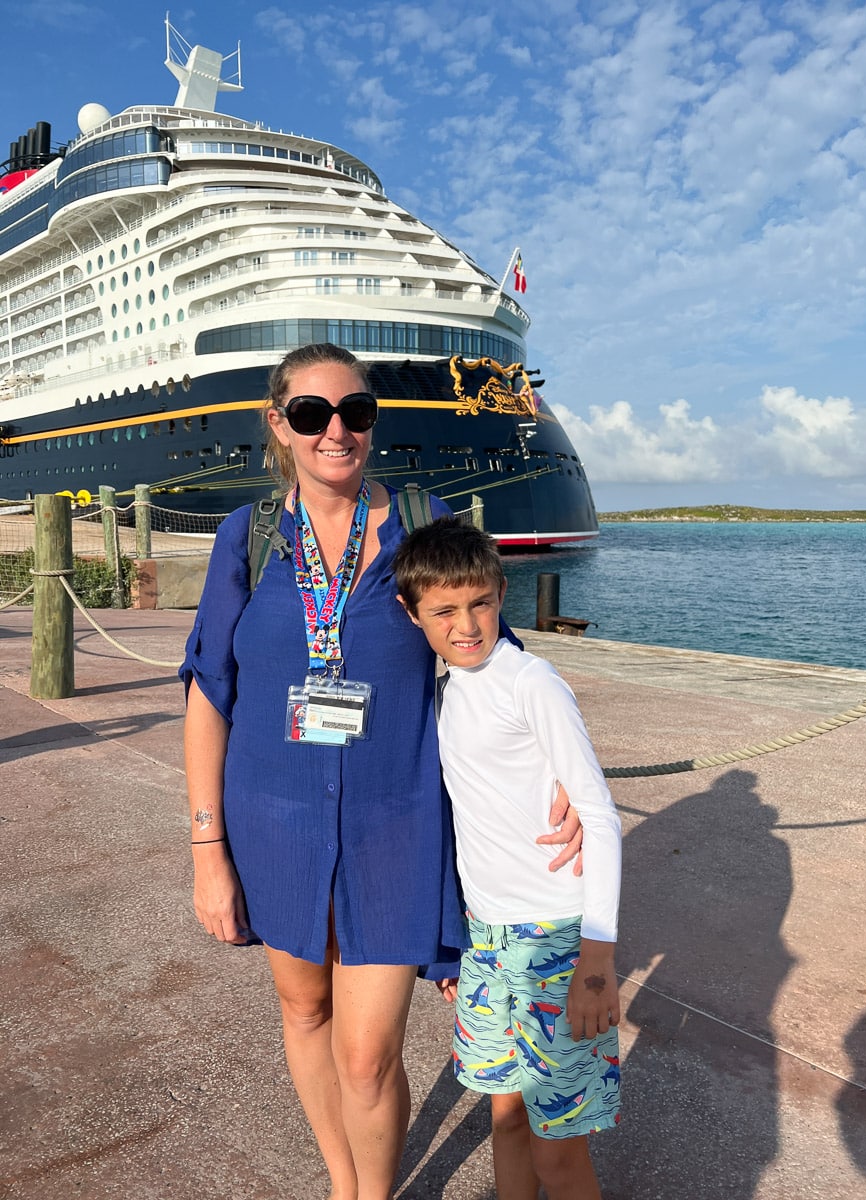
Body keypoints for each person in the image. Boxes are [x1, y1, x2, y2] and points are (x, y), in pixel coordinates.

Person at [181, 342, 583, 1200]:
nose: (336, 431)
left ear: (372, 423)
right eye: (312, 414)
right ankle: (345, 1185)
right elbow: (210, 692)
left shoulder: (416, 517)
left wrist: (562, 772)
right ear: (278, 426)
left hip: (394, 826)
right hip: (273, 823)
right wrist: (207, 847)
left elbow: (490, 653)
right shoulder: (246, 538)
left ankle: (374, 1190)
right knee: (304, 1013)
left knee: (367, 1054)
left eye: (355, 413)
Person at [394, 516, 622, 1200]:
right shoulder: (444, 690)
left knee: (561, 1149)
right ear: (413, 615)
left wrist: (598, 959)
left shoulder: (532, 681)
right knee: (507, 1119)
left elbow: (601, 815)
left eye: (481, 603)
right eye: (445, 611)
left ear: (500, 595)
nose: (466, 624)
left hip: (555, 934)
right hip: (487, 938)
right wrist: (458, 945)